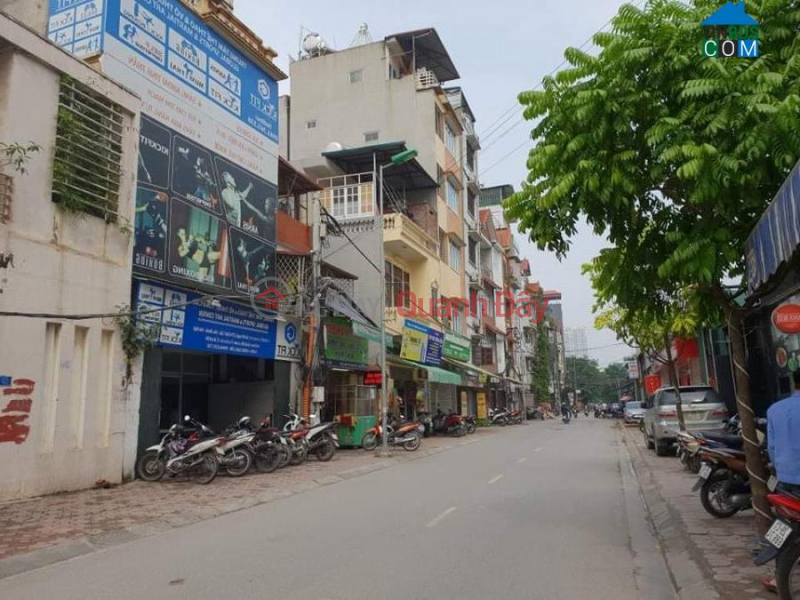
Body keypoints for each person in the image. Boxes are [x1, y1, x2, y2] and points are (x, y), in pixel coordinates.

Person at [762, 371, 800, 595]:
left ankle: (779, 577)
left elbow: (772, 448)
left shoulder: (775, 410)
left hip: (785, 481)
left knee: (784, 531)